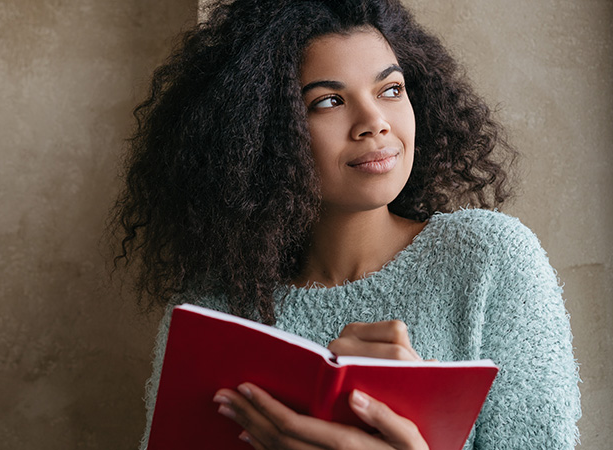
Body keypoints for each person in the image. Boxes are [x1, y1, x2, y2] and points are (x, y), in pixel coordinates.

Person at [110, 0, 581, 448]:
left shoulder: (490, 259)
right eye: (329, 101)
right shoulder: (213, 305)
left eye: (390, 90)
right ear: (263, 133)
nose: (374, 122)